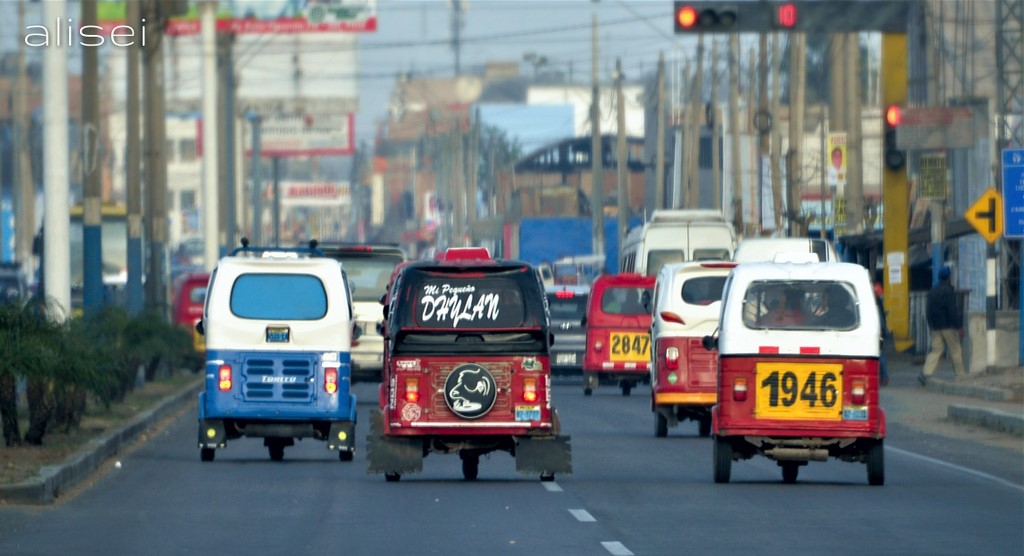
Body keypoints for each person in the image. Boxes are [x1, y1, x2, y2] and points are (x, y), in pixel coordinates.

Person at [920, 266, 967, 385]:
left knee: (936, 350)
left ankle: (926, 373)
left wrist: (931, 325)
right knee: (955, 350)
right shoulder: (949, 291)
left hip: (935, 327)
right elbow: (952, 311)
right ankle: (960, 375)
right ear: (949, 278)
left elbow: (928, 310)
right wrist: (959, 326)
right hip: (948, 326)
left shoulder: (932, 291)